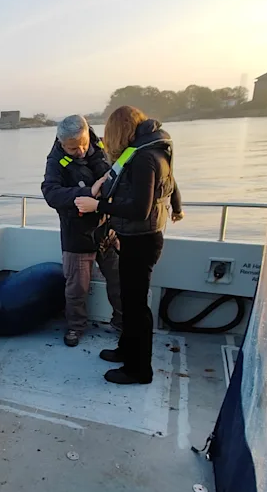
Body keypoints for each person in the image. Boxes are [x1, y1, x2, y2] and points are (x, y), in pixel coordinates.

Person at [75, 106, 184, 385]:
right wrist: (177, 208)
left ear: (119, 131)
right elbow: (173, 184)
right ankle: (126, 349)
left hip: (142, 240)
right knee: (129, 298)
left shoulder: (144, 158)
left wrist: (96, 204)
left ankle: (139, 370)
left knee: (136, 307)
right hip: (139, 238)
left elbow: (139, 209)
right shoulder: (155, 150)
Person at [41, 115, 123, 347]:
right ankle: (76, 327)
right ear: (60, 142)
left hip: (108, 229)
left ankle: (122, 321)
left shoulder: (103, 144)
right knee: (77, 288)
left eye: (83, 144)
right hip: (76, 233)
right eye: (73, 148)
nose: (80, 151)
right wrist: (88, 192)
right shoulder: (55, 161)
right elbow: (51, 193)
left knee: (119, 281)